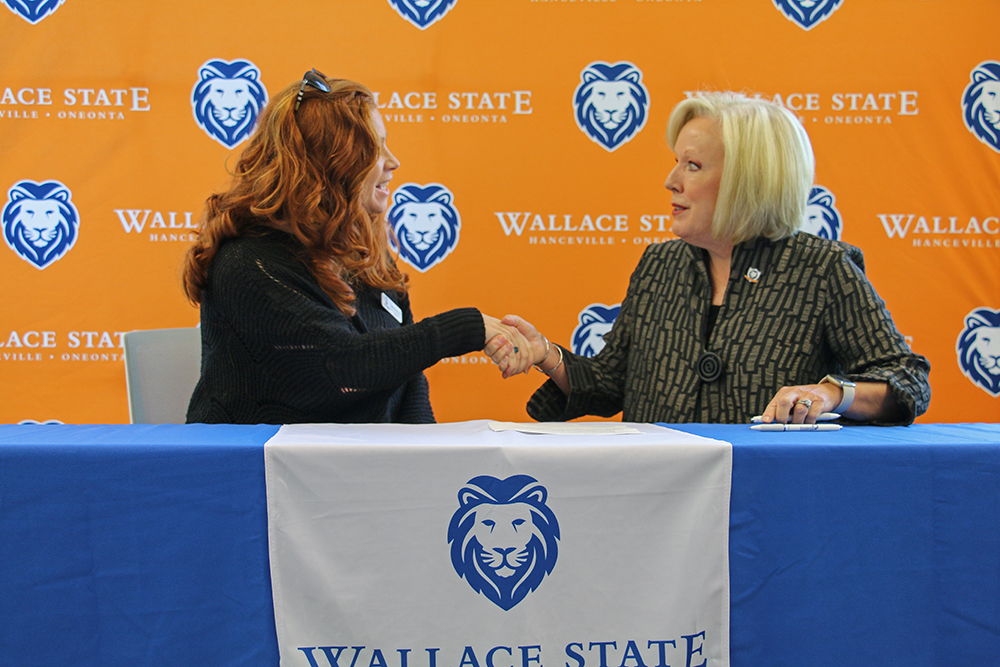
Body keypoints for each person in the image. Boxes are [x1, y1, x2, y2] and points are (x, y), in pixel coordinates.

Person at [488, 91, 931, 425]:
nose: (670, 181)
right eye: (675, 162)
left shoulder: (822, 269)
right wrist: (546, 354)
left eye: (692, 166)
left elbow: (906, 381)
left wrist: (830, 393)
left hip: (763, 504)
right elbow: (610, 385)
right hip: (660, 499)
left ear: (748, 178)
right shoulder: (659, 266)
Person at [182, 70, 528, 424]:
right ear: (330, 163)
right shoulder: (248, 265)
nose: (393, 162)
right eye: (375, 148)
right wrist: (465, 328)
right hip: (261, 472)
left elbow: (405, 380)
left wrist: (427, 457)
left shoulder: (363, 254)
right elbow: (344, 367)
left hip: (347, 467)